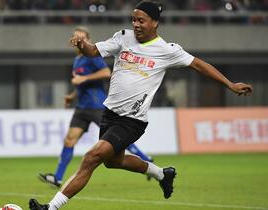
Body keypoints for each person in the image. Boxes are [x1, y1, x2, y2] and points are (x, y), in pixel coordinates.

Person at [29, 1, 253, 209]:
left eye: (141, 20)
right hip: (109, 114)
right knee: (113, 162)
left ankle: (50, 207)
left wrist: (229, 84)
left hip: (132, 120)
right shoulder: (123, 38)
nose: (136, 24)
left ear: (155, 22)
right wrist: (82, 43)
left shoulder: (167, 50)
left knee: (92, 157)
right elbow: (93, 50)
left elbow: (199, 65)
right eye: (134, 19)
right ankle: (162, 174)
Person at [38, 26, 154, 188]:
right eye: (76, 36)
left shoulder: (92, 57)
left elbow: (106, 73)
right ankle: (57, 177)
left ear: (88, 40)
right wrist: (71, 96)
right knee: (69, 139)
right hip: (82, 108)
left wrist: (83, 78)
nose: (79, 40)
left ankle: (145, 159)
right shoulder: (78, 59)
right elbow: (81, 84)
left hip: (97, 106)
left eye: (82, 37)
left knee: (115, 139)